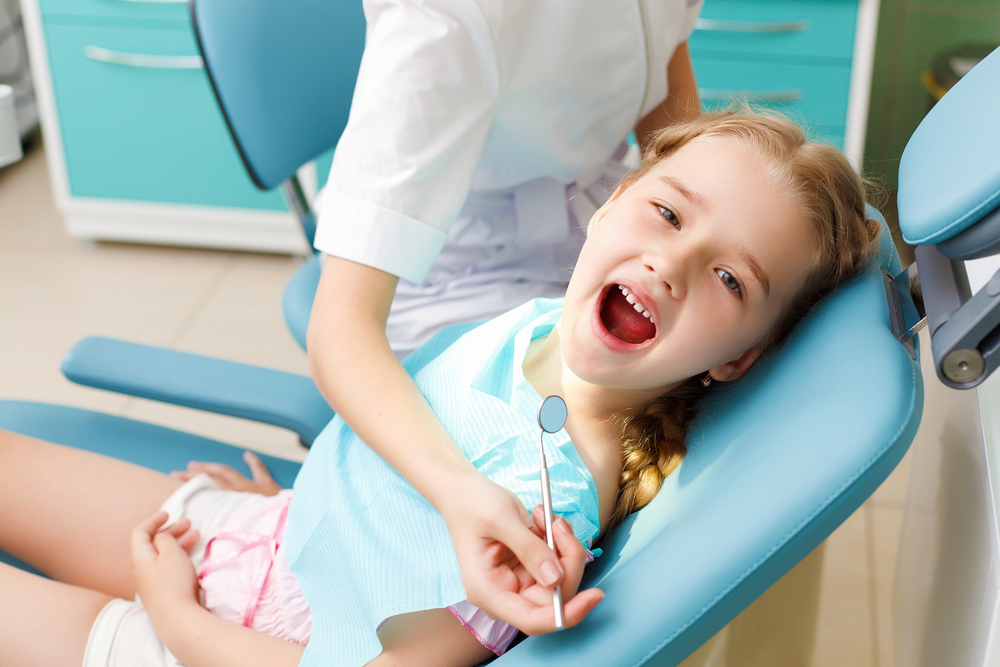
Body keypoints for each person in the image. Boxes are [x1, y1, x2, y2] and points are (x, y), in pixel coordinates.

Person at [0, 111, 881, 667]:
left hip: (233, 640)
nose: (673, 260)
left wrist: (174, 618)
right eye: (667, 210)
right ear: (610, 203)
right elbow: (405, 470)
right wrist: (329, 500)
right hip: (275, 535)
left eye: (732, 280)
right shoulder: (539, 322)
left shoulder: (547, 512)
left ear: (735, 360)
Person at [307, 0, 705, 633]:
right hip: (455, 274)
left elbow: (681, 146)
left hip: (597, 230)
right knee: (543, 509)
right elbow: (338, 328)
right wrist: (455, 490)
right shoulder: (443, 18)